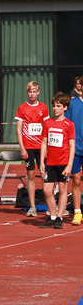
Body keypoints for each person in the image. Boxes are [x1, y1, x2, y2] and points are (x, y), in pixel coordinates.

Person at [39, 92, 75, 229]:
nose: (55, 108)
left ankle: (60, 217)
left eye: (58, 106)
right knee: (47, 190)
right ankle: (53, 216)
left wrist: (69, 165)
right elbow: (44, 142)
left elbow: (72, 146)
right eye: (54, 106)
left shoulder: (69, 124)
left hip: (64, 162)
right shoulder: (47, 123)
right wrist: (42, 161)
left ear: (65, 108)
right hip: (50, 162)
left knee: (63, 190)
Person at [15, 81, 49, 218]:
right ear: (27, 92)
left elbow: (46, 128)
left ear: (38, 92)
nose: (32, 94)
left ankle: (49, 205)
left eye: (34, 91)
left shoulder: (44, 107)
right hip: (28, 146)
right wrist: (22, 147)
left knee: (44, 174)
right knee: (31, 175)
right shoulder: (22, 108)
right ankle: (33, 206)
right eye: (30, 92)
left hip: (41, 146)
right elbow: (18, 130)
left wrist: (47, 147)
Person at [67, 90, 83, 225]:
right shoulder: (72, 104)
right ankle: (77, 212)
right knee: (76, 180)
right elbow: (66, 124)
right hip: (76, 149)